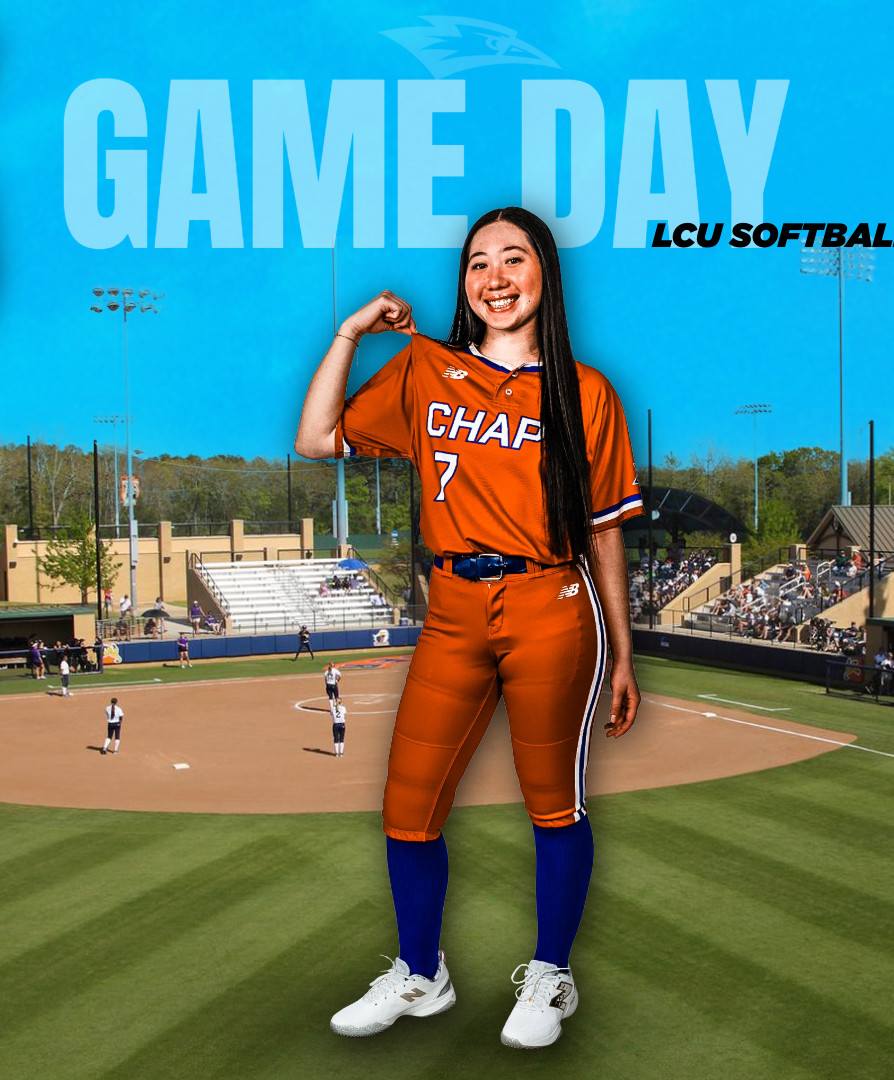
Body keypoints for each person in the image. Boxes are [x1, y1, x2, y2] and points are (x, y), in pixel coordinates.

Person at [296, 207, 643, 1049]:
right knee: (406, 807)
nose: (495, 276)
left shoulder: (586, 391)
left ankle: (550, 975)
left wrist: (624, 654)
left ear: (544, 275)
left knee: (553, 805)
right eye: (478, 261)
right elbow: (315, 438)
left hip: (551, 608)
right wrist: (349, 333)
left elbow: (603, 532)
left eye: (513, 258)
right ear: (464, 283)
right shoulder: (426, 372)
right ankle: (422, 974)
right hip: (451, 608)